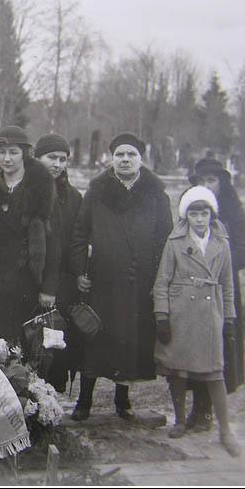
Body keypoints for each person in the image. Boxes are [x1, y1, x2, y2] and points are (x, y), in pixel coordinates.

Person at [70, 132, 173, 420]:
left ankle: (122, 401)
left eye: (131, 155)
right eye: (119, 155)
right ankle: (84, 401)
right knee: (96, 338)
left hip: (140, 283)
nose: (125, 160)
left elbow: (165, 240)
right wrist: (80, 271)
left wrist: (157, 280)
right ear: (111, 158)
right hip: (102, 282)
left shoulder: (157, 195)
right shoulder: (97, 192)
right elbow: (79, 234)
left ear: (142, 160)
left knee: (129, 340)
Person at [152, 186, 239, 457]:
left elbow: (227, 285)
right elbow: (162, 281)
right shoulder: (175, 241)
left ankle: (225, 430)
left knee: (214, 371)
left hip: (210, 313)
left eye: (204, 213)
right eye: (193, 213)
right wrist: (162, 315)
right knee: (177, 369)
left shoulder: (221, 243)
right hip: (181, 312)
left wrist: (230, 319)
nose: (199, 219)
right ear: (185, 216)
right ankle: (179, 420)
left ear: (211, 216)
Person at [0, 126, 61, 343]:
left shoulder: (42, 187)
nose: (6, 158)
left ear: (25, 154)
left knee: (19, 353)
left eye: (13, 152)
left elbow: (55, 242)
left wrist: (48, 288)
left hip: (25, 283)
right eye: (1, 152)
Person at [183, 157, 245, 431]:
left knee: (218, 348)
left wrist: (218, 261)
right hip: (194, 288)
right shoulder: (191, 209)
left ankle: (208, 409)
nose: (207, 185)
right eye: (202, 180)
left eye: (212, 180)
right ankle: (196, 407)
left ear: (222, 182)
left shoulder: (233, 211)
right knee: (196, 346)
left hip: (223, 289)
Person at [34, 133, 84, 392]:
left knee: (54, 343)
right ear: (37, 157)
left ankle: (52, 400)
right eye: (51, 157)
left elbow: (75, 241)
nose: (57, 164)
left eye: (62, 159)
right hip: (28, 280)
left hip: (60, 283)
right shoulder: (25, 189)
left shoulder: (73, 197)